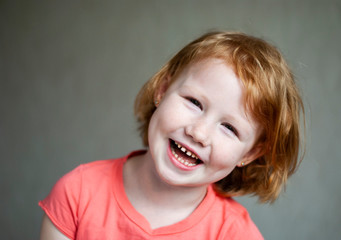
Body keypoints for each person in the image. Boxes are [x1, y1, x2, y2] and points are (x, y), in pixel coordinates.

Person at [39, 31, 304, 239]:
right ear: (162, 90)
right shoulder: (77, 193)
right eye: (194, 102)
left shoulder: (232, 234)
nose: (199, 132)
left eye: (229, 128)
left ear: (249, 153)